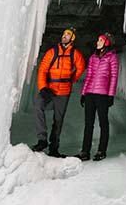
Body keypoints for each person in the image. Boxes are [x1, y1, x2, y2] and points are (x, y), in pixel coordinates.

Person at [32, 27, 86, 157]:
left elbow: (81, 66)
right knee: (38, 105)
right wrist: (43, 87)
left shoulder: (75, 54)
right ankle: (42, 139)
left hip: (63, 92)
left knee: (58, 120)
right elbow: (42, 70)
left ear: (72, 39)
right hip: (49, 89)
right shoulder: (52, 52)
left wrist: (72, 78)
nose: (64, 36)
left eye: (67, 35)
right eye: (64, 34)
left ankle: (54, 147)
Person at [76, 33, 118, 161]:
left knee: (103, 123)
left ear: (106, 43)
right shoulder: (93, 57)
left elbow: (113, 77)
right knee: (88, 124)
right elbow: (88, 76)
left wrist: (110, 95)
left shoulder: (112, 57)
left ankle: (101, 150)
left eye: (100, 40)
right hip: (90, 94)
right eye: (98, 39)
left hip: (102, 95)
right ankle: (85, 151)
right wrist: (83, 93)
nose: (97, 42)